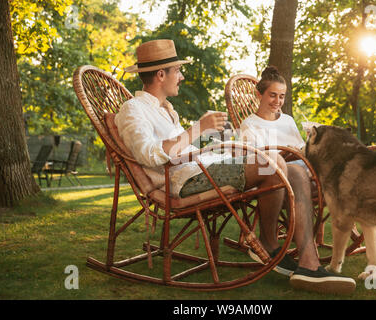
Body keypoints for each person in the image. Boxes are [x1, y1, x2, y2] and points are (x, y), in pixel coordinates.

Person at [115, 39, 355, 294]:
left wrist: (217, 145)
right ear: (161, 75)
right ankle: (268, 243)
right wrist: (199, 128)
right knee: (270, 163)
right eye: (177, 71)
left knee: (293, 169)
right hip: (188, 181)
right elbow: (148, 154)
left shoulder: (166, 111)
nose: (181, 76)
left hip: (206, 167)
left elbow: (181, 148)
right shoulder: (133, 109)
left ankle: (308, 265)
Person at [240, 66, 355, 293]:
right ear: (259, 94)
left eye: (282, 96)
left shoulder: (288, 121)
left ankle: (308, 263)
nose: (277, 101)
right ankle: (309, 265)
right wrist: (286, 154)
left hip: (302, 170)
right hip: (274, 179)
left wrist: (307, 146)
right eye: (272, 95)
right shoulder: (249, 125)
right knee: (296, 171)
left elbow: (302, 150)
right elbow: (257, 162)